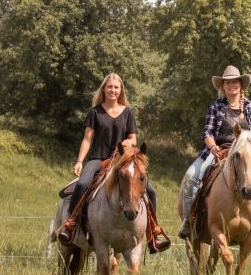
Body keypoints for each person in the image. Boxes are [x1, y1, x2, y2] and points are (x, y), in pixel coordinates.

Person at [57, 73, 170, 252]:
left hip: (121, 161)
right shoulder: (95, 112)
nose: (113, 90)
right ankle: (70, 224)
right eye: (110, 87)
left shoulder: (127, 112)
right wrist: (80, 161)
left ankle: (153, 232)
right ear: (104, 89)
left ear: (121, 90)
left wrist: (129, 143)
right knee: (83, 184)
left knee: (151, 191)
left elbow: (133, 138)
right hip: (98, 159)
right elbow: (87, 139)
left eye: (116, 87)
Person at [177, 65, 251, 242]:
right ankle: (188, 222)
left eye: (235, 82)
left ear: (241, 85)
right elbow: (207, 133)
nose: (231, 85)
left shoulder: (250, 108)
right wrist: (213, 147)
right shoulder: (216, 106)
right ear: (223, 86)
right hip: (219, 150)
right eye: (227, 82)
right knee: (191, 178)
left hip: (246, 154)